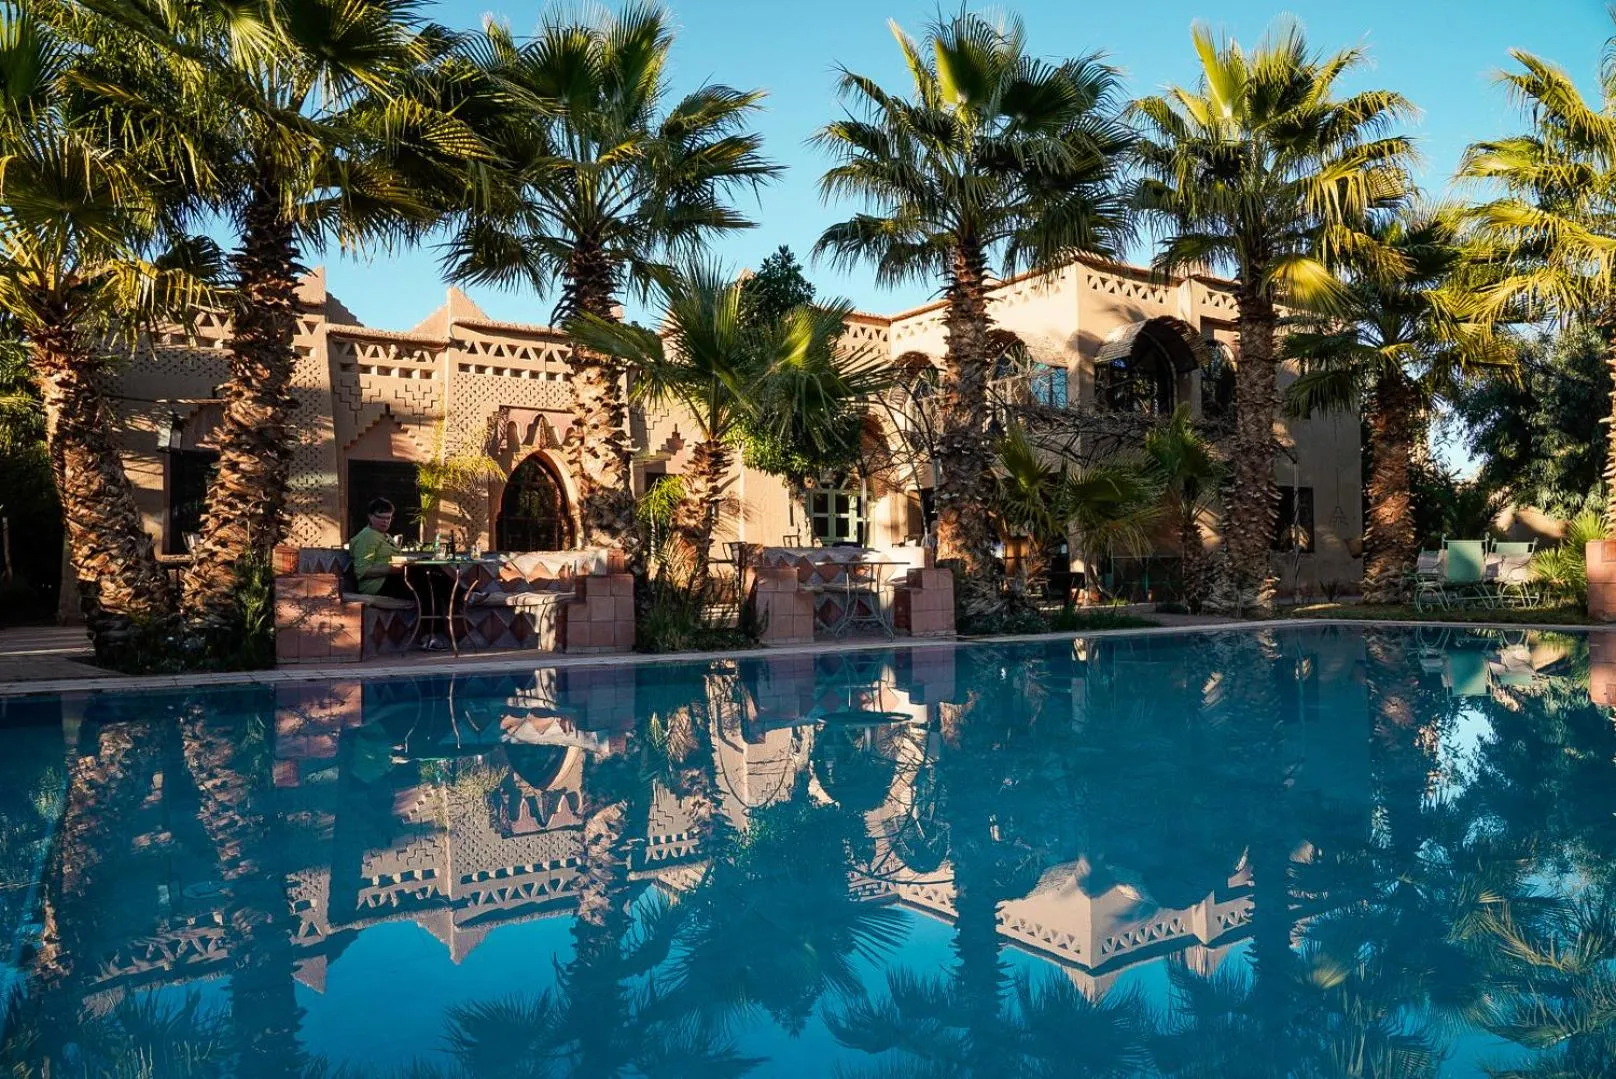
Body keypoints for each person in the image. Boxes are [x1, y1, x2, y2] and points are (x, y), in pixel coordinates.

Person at [349, 497, 410, 598]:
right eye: (380, 517)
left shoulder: (386, 535)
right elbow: (362, 571)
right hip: (377, 586)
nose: (385, 521)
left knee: (433, 578)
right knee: (422, 582)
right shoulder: (367, 536)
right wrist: (392, 569)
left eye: (388, 518)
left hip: (392, 579)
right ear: (370, 517)